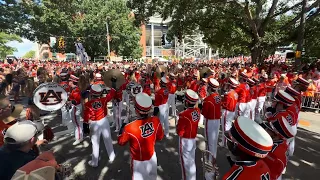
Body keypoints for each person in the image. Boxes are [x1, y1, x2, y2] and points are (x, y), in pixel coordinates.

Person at [118, 93, 164, 180]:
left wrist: (124, 124)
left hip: (138, 162)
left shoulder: (129, 127)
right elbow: (160, 137)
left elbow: (121, 142)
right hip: (152, 158)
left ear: (136, 110)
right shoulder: (156, 120)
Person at [84, 84, 116, 167]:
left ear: (91, 94)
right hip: (104, 121)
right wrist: (113, 85)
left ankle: (94, 162)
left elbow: (86, 116)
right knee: (108, 139)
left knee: (95, 143)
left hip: (94, 123)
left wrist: (85, 125)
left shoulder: (88, 104)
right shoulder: (103, 100)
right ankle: (112, 156)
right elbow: (111, 95)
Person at [176, 89, 201, 180]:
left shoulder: (184, 114)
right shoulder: (197, 110)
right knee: (191, 161)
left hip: (185, 140)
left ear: (186, 101)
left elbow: (180, 132)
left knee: (185, 164)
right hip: (193, 138)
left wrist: (177, 125)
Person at [202, 79, 221, 161]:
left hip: (209, 121)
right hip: (217, 120)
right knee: (214, 140)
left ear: (209, 88)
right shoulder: (218, 96)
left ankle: (209, 160)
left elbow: (204, 113)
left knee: (209, 140)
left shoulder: (208, 99)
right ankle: (213, 156)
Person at [220, 78, 239, 147]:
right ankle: (228, 142)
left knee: (225, 128)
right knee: (228, 126)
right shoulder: (235, 93)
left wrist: (222, 99)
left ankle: (224, 143)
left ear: (230, 86)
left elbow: (224, 104)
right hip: (232, 112)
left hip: (227, 111)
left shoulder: (228, 94)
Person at [68, 74, 83, 145]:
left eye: (69, 81)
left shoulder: (76, 90)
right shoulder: (74, 89)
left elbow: (76, 101)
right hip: (75, 107)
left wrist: (68, 101)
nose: (68, 82)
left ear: (72, 82)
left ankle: (79, 138)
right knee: (76, 123)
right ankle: (79, 136)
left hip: (76, 107)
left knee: (77, 124)